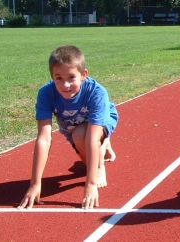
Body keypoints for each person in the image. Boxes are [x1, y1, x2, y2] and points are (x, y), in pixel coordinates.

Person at [18, 45, 118, 209]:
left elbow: (92, 139)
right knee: (81, 141)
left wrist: (91, 183)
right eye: (58, 78)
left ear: (84, 74)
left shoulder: (97, 92)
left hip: (102, 119)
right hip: (73, 127)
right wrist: (35, 183)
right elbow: (44, 138)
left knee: (85, 137)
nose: (65, 84)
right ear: (51, 77)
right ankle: (103, 144)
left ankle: (102, 150)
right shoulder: (46, 93)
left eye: (71, 77)